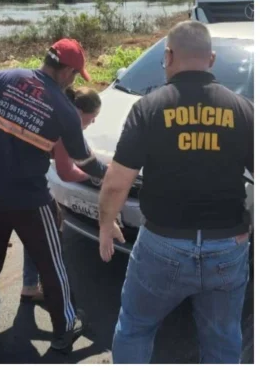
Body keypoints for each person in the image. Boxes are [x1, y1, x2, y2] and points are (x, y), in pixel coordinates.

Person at [99, 21, 253, 364]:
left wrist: (106, 225)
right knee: (222, 337)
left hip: (163, 244)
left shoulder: (149, 107)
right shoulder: (243, 110)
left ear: (168, 56)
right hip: (227, 245)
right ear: (211, 59)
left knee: (136, 327)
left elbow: (116, 181)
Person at [0, 38, 107, 357]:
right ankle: (63, 330)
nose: (73, 81)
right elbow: (85, 162)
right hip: (30, 201)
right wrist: (114, 175)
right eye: (75, 75)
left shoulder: (1, 78)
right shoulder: (63, 109)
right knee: (52, 264)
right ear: (67, 72)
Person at [21, 86, 102, 303]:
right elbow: (67, 172)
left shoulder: (53, 111)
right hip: (26, 185)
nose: (94, 121)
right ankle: (57, 298)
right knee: (47, 235)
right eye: (93, 116)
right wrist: (95, 176)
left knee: (4, 234)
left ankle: (27, 285)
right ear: (80, 112)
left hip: (0, 176)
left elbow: (82, 154)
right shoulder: (66, 126)